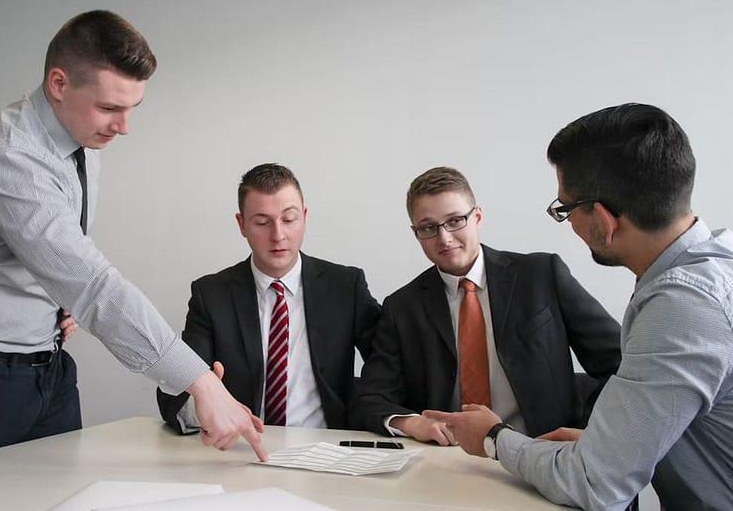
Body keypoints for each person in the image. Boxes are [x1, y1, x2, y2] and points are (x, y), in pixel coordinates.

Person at [0, 10, 266, 462]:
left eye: (131, 108)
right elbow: (91, 284)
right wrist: (201, 382)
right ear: (59, 84)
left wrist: (54, 298)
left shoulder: (81, 138)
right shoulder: (8, 156)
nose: (123, 126)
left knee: (64, 494)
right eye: (110, 108)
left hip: (47, 368)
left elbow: (58, 254)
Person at [425, 104, 733, 510]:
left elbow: (594, 484)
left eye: (565, 210)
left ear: (603, 219)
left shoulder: (680, 307)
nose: (568, 223)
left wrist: (493, 438)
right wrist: (604, 443)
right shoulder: (714, 266)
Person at [349, 166, 621, 445]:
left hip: (542, 449)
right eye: (428, 228)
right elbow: (371, 397)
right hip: (449, 456)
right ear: (416, 233)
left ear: (477, 217)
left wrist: (594, 431)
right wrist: (412, 423)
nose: (444, 238)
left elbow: (621, 361)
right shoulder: (402, 307)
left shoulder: (541, 275)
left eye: (455, 220)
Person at [158, 163, 381, 432]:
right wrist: (208, 402)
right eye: (262, 223)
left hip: (326, 445)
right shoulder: (211, 295)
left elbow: (390, 364)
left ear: (304, 217)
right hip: (243, 443)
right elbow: (175, 399)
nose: (278, 235)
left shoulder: (345, 287)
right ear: (242, 224)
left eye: (289, 219)